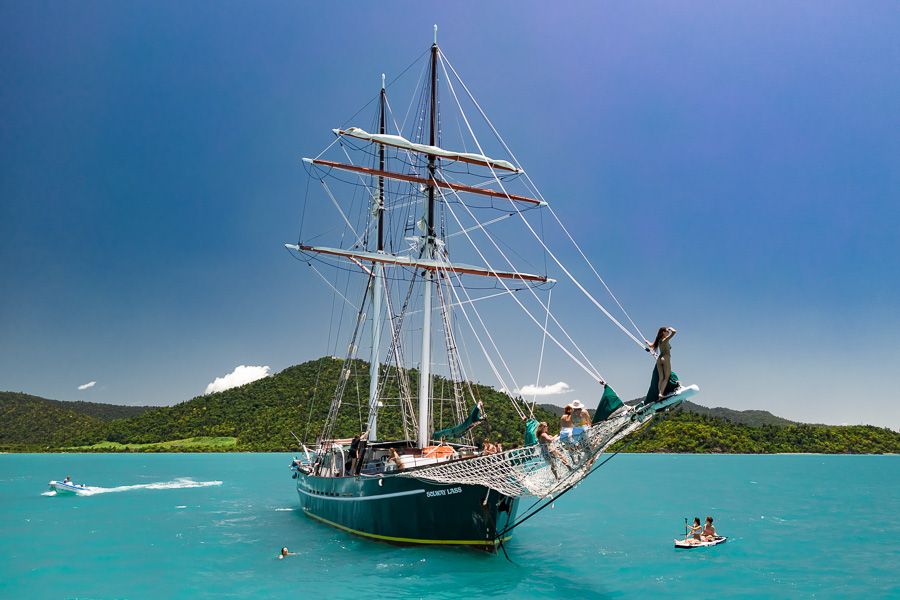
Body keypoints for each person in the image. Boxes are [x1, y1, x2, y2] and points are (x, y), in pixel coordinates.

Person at [645, 326, 677, 404]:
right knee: (666, 378)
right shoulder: (665, 340)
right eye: (666, 331)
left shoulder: (659, 341)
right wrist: (670, 328)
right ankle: (661, 394)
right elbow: (674, 332)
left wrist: (646, 341)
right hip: (666, 358)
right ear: (663, 332)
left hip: (659, 359)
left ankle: (659, 394)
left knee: (661, 378)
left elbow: (651, 345)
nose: (668, 332)